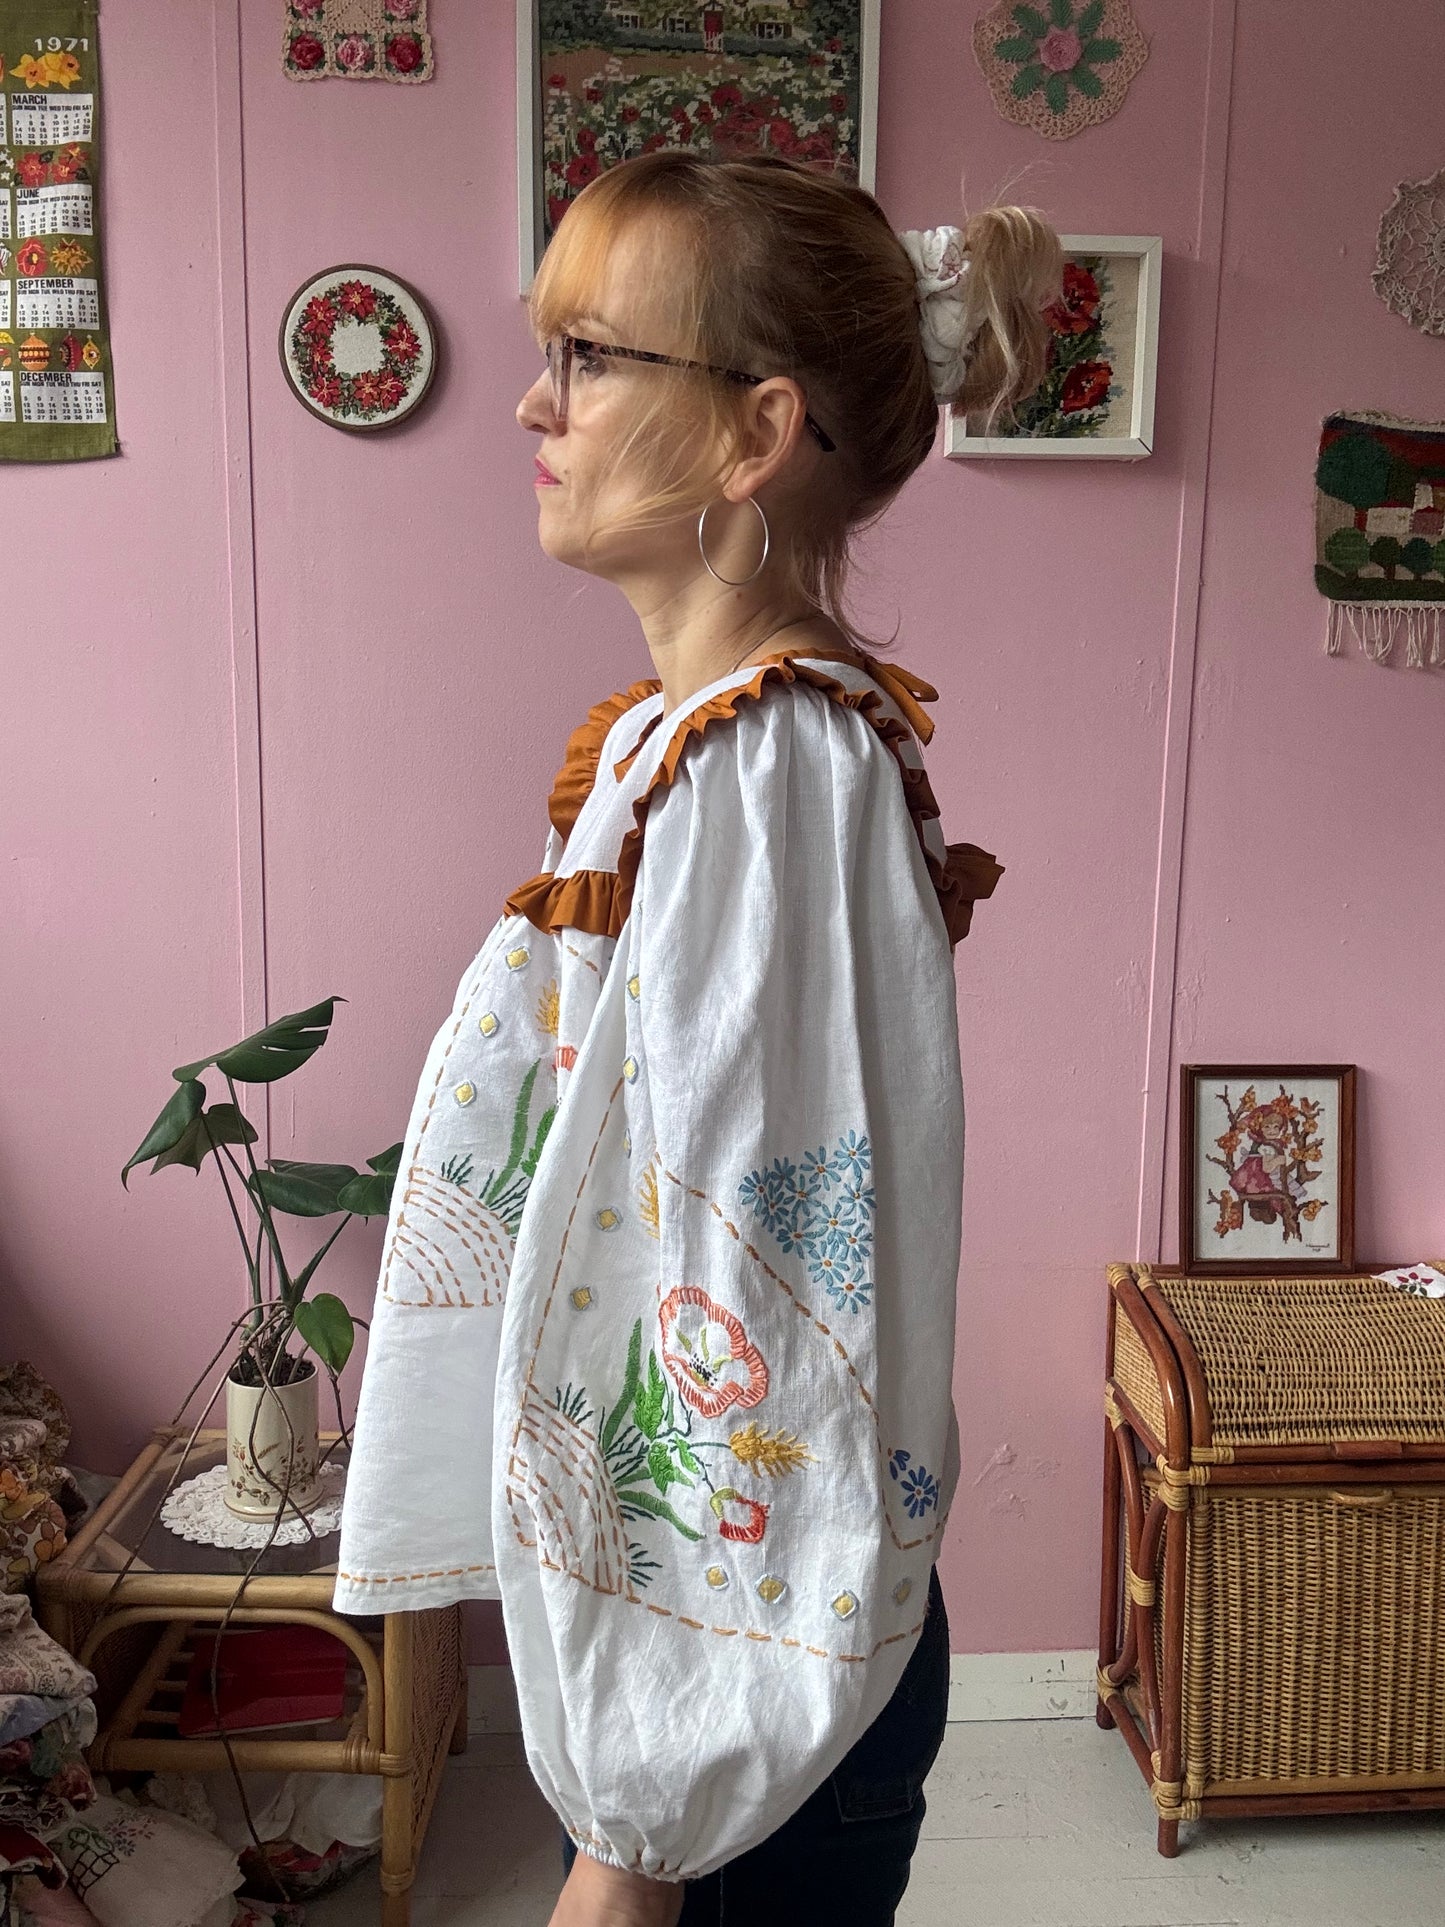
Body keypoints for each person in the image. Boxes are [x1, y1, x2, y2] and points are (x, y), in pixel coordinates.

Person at [334, 148, 1061, 1926]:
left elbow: (753, 1289)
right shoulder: (705, 747)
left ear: (752, 436)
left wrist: (636, 1825)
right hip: (742, 1659)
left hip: (750, 1687)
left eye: (588, 353)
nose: (532, 398)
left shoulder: (766, 770)